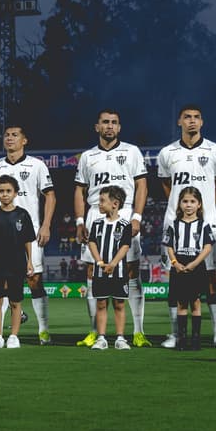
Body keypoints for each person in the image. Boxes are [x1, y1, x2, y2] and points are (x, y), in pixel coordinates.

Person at [73, 110, 149, 348]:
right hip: (96, 213)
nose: (110, 126)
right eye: (105, 122)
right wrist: (79, 221)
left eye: (114, 123)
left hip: (124, 212)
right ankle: (95, 332)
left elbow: (141, 184)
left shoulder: (132, 151)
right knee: (93, 273)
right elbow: (79, 190)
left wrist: (136, 216)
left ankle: (137, 331)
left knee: (131, 270)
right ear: (97, 127)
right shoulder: (87, 156)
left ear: (119, 127)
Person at [157, 104, 216, 348]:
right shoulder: (167, 153)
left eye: (196, 117)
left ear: (202, 122)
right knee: (174, 278)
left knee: (211, 278)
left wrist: (203, 208)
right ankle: (175, 334)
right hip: (175, 222)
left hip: (206, 223)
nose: (192, 121)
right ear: (179, 121)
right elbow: (167, 187)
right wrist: (181, 209)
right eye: (187, 117)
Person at [0, 125, 56, 345]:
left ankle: (43, 330)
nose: (10, 138)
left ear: (24, 140)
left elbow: (50, 196)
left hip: (27, 232)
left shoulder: (37, 165)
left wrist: (45, 225)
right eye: (6, 135)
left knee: (34, 279)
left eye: (15, 135)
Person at [0, 175, 36, 349]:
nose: (5, 194)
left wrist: (30, 262)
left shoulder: (22, 215)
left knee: (15, 301)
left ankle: (13, 336)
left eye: (8, 191)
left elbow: (28, 240)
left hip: (17, 262)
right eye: (1, 191)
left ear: (15, 193)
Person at [163, 187, 214, 351]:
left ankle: (196, 339)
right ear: (180, 204)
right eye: (185, 201)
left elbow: (207, 247)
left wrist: (195, 263)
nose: (188, 205)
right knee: (181, 302)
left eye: (192, 201)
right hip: (179, 264)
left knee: (196, 302)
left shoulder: (204, 225)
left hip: (196, 265)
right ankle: (182, 339)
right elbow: (169, 246)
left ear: (199, 204)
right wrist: (175, 262)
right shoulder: (173, 225)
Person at [86, 186, 133, 351]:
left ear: (115, 204)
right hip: (100, 270)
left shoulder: (125, 225)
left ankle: (120, 338)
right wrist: (99, 261)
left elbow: (125, 246)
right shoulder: (97, 224)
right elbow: (92, 242)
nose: (99, 203)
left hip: (118, 270)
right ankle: (101, 338)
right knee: (101, 304)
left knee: (119, 304)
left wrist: (113, 263)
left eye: (102, 201)